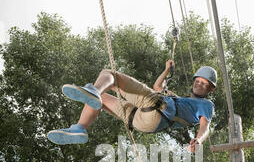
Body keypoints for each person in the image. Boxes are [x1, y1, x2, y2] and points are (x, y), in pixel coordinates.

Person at [47, 60, 216, 153]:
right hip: (144, 122)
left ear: (210, 89)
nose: (199, 84)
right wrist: (166, 71)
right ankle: (80, 128)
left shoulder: (206, 105)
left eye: (204, 83)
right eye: (198, 81)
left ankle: (92, 90)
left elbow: (205, 126)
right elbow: (158, 87)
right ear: (193, 81)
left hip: (156, 107)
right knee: (101, 98)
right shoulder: (181, 101)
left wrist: (199, 140)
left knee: (110, 75)